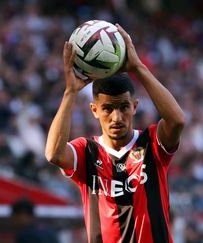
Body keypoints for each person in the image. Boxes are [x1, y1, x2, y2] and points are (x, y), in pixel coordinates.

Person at [45, 24, 185, 242]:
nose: (117, 117)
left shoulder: (151, 144)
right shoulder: (87, 152)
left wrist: (138, 67)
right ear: (94, 110)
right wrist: (70, 91)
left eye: (124, 107)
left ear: (135, 107)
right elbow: (53, 154)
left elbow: (177, 121)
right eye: (108, 109)